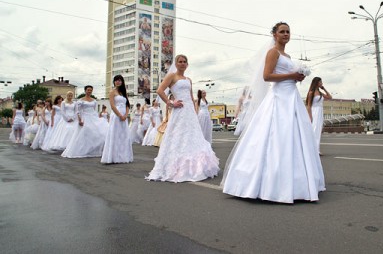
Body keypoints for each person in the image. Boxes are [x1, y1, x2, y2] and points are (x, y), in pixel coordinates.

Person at [221, 22, 325, 203]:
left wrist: (297, 77)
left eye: (288, 32)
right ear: (274, 35)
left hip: (291, 98)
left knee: (295, 138)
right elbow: (267, 76)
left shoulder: (288, 55)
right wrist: (292, 76)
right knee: (276, 136)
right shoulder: (273, 52)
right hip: (278, 99)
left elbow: (286, 75)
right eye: (282, 32)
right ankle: (267, 184)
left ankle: (298, 181)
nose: (286, 34)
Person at [145, 54, 219, 182]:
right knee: (178, 135)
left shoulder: (188, 79)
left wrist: (195, 112)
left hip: (189, 111)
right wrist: (170, 103)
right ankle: (176, 167)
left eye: (185, 62)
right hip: (179, 110)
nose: (182, 63)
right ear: (176, 63)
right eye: (180, 61)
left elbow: (190, 97)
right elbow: (160, 90)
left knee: (193, 136)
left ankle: (196, 166)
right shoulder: (171, 76)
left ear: (187, 64)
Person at [62, 85, 108, 158]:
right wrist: (80, 120)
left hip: (93, 117)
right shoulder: (80, 100)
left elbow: (94, 110)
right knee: (84, 133)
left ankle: (92, 149)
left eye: (91, 90)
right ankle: (82, 149)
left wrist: (97, 118)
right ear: (85, 91)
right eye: (88, 90)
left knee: (96, 133)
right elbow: (78, 111)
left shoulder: (94, 100)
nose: (89, 91)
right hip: (85, 117)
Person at [101, 75, 133, 164]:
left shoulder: (124, 92)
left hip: (124, 115)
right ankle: (113, 157)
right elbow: (112, 105)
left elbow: (127, 105)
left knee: (124, 135)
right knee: (115, 134)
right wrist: (119, 115)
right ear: (114, 82)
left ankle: (123, 156)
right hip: (116, 115)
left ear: (122, 82)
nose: (118, 82)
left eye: (120, 80)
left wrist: (126, 115)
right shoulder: (112, 92)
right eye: (116, 80)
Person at [306, 77, 332, 155]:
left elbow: (330, 97)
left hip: (320, 112)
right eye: (320, 82)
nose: (322, 83)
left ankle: (316, 149)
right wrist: (310, 116)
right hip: (314, 112)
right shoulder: (311, 92)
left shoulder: (320, 93)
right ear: (316, 83)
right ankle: (313, 150)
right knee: (314, 131)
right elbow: (308, 106)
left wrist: (324, 89)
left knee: (318, 131)